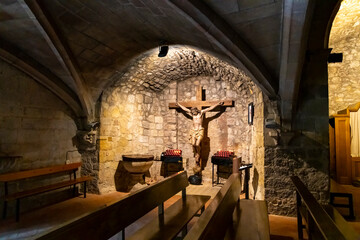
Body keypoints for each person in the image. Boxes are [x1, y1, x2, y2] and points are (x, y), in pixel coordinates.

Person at [176, 101, 224, 174]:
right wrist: (179, 105)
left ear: (196, 111)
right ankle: (196, 153)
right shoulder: (192, 114)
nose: (193, 113)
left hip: (200, 130)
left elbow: (210, 108)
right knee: (193, 144)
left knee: (197, 144)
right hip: (193, 131)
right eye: (192, 112)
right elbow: (185, 109)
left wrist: (217, 104)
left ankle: (198, 152)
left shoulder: (201, 113)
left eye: (194, 112)